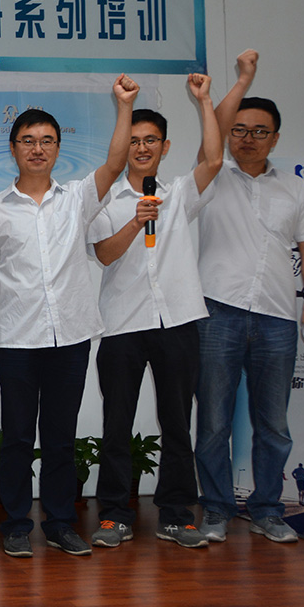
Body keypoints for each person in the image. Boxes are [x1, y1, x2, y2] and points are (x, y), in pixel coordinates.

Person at [0, 75, 134, 558]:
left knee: (61, 439)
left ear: (59, 148)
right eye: (28, 141)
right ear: (12, 149)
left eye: (46, 141)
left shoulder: (78, 198)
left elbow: (115, 162)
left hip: (71, 338)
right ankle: (16, 524)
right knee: (18, 438)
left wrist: (124, 106)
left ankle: (61, 523)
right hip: (17, 339)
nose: (37, 149)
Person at [193, 51, 304, 544]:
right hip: (217, 312)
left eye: (259, 131)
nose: (248, 137)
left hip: (276, 317)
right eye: (239, 130)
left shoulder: (295, 189)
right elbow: (215, 128)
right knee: (213, 422)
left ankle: (268, 510)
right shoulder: (211, 175)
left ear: (276, 137)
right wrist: (243, 80)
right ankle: (215, 509)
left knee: (273, 423)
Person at [88, 73, 223, 551]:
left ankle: (177, 514)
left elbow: (214, 159)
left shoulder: (180, 193)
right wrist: (135, 220)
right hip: (122, 325)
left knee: (177, 425)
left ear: (165, 148)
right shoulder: (105, 199)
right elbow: (104, 255)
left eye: (151, 141)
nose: (142, 148)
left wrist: (204, 100)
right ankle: (114, 515)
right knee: (116, 426)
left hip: (178, 322)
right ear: (123, 147)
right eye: (134, 140)